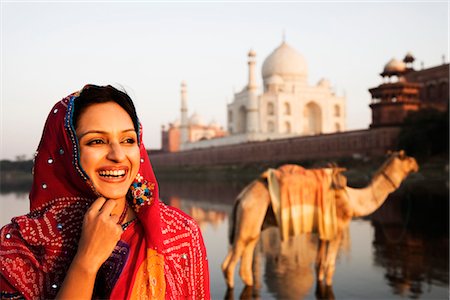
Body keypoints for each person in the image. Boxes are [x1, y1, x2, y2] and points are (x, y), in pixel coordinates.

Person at [0, 85, 210, 299]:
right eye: (97, 141)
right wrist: (86, 262)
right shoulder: (21, 247)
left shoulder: (180, 233)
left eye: (128, 140)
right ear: (66, 150)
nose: (118, 155)